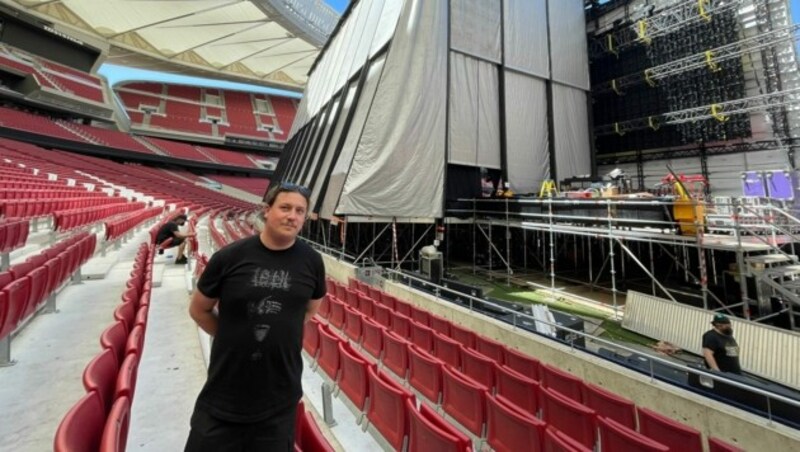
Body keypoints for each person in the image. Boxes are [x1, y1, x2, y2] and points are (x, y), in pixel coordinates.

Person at [185, 182, 326, 452]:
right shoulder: (230, 257)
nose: (292, 216)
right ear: (267, 210)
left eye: (299, 211)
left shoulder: (311, 261)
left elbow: (308, 311)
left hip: (279, 399)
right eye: (285, 207)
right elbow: (198, 309)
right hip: (224, 392)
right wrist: (233, 336)